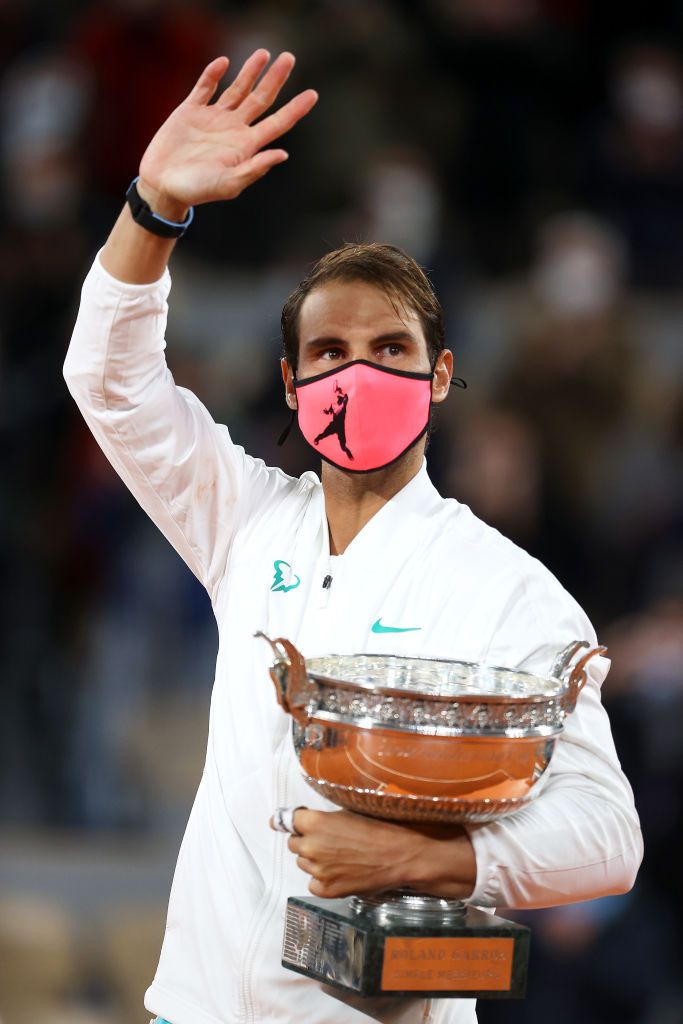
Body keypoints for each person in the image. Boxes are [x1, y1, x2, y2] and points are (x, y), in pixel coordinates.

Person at [64, 51, 643, 1024]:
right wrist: (153, 207)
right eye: (329, 352)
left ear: (440, 375)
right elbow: (108, 381)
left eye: (390, 349)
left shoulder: (502, 585)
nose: (358, 375)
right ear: (291, 385)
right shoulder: (243, 519)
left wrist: (429, 858)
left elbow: (607, 836)